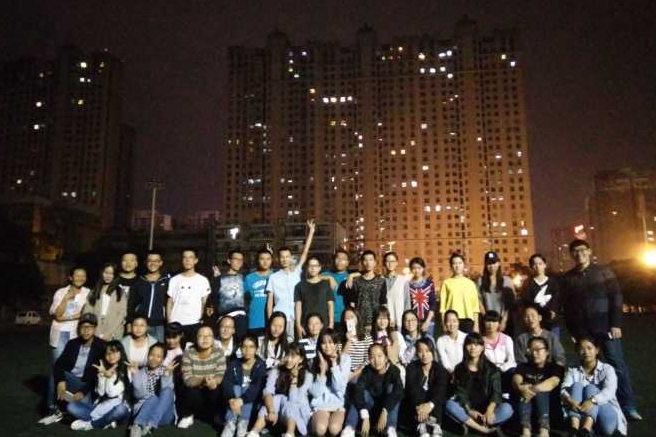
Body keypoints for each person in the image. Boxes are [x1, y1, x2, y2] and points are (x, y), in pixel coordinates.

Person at [562, 239, 641, 420]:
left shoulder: (604, 272)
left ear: (589, 251)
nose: (579, 254)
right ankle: (591, 405)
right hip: (584, 332)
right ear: (571, 255)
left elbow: (616, 297)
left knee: (617, 365)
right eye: (575, 251)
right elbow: (567, 307)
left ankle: (628, 406)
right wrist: (573, 332)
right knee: (587, 368)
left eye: (583, 250)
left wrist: (616, 323)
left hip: (605, 327)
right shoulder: (568, 278)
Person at [39, 313, 105, 425]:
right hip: (71, 380)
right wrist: (61, 381)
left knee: (79, 412)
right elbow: (58, 364)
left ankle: (82, 409)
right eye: (83, 327)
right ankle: (52, 411)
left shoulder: (101, 346)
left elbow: (96, 377)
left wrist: (82, 392)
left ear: (95, 329)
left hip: (87, 385)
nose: (86, 330)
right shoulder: (73, 343)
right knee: (54, 374)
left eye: (89, 327)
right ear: (79, 328)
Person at [45, 266, 91, 422]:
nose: (80, 278)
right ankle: (52, 407)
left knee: (75, 371)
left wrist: (68, 317)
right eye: (77, 275)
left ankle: (71, 404)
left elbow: (86, 314)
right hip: (61, 334)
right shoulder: (60, 292)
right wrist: (66, 299)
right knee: (58, 369)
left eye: (83, 275)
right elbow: (57, 315)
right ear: (70, 277)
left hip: (77, 334)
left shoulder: (88, 293)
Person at [445, 333, 513, 435]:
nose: (472, 347)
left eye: (476, 344)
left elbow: (497, 393)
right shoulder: (459, 369)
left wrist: (489, 410)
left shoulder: (492, 369)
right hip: (469, 410)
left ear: (482, 348)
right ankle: (484, 429)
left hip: (488, 410)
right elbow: (461, 394)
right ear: (465, 347)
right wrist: (469, 411)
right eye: (469, 344)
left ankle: (471, 424)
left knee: (507, 408)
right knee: (449, 405)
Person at [561, 336, 628, 436]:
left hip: (604, 415)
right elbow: (563, 389)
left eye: (589, 348)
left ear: (597, 350)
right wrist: (570, 400)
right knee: (576, 385)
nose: (586, 352)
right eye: (581, 349)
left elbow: (609, 391)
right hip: (580, 412)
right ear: (577, 351)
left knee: (591, 388)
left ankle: (586, 429)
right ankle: (575, 429)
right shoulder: (573, 369)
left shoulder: (607, 369)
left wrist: (592, 401)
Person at [246, 343, 313, 437]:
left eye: (293, 356)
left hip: (297, 417)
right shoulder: (276, 370)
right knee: (275, 399)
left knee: (288, 403)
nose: (289, 359)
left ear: (301, 359)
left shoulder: (307, 376)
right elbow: (267, 391)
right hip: (276, 413)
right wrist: (272, 411)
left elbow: (295, 400)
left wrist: (294, 379)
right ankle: (254, 432)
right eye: (287, 355)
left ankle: (290, 433)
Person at [341, 343, 404, 437]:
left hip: (386, 407)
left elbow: (399, 391)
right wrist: (365, 416)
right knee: (361, 393)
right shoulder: (367, 370)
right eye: (372, 357)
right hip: (370, 407)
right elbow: (358, 390)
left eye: (379, 356)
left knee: (393, 389)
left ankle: (390, 429)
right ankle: (349, 428)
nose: (376, 360)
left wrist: (385, 410)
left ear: (386, 358)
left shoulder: (394, 370)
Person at [67, 340, 131, 431]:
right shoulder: (103, 369)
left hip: (119, 409)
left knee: (121, 409)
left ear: (121, 352)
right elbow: (101, 393)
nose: (111, 356)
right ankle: (105, 422)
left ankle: (91, 424)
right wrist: (102, 376)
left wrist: (109, 377)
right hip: (100, 408)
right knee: (71, 406)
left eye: (115, 352)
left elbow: (112, 394)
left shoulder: (126, 369)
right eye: (108, 353)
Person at [512, 337, 564, 437]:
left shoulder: (555, 367)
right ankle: (526, 430)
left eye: (538, 349)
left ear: (547, 352)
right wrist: (521, 387)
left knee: (540, 390)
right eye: (531, 350)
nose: (534, 353)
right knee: (523, 388)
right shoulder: (523, 367)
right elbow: (516, 379)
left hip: (550, 410)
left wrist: (531, 389)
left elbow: (552, 382)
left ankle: (544, 430)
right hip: (528, 410)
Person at [177, 324, 227, 429]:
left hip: (212, 388)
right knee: (187, 389)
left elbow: (220, 374)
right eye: (201, 336)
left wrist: (214, 382)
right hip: (195, 390)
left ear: (213, 338)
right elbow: (187, 379)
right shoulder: (188, 353)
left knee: (220, 389)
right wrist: (202, 380)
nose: (205, 339)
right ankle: (188, 415)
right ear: (196, 338)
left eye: (208, 336)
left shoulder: (219, 352)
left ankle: (216, 415)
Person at [221, 334, 267, 437]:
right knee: (236, 388)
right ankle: (230, 423)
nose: (247, 350)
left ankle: (243, 423)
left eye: (251, 347)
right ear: (241, 348)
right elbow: (227, 383)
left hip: (251, 403)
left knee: (247, 387)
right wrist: (231, 399)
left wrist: (241, 400)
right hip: (234, 403)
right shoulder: (234, 364)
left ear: (256, 349)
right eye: (244, 347)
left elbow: (256, 387)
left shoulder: (260, 365)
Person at [129, 343, 179, 437]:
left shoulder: (166, 371)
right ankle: (138, 426)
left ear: (163, 360)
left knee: (167, 391)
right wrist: (136, 376)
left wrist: (166, 376)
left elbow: (168, 397)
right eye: (152, 355)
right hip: (144, 412)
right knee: (153, 398)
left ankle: (151, 424)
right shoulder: (140, 372)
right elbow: (138, 395)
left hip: (163, 415)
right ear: (147, 355)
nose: (154, 359)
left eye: (158, 357)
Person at [308, 328, 351, 437]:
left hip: (338, 403)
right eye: (323, 343)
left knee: (334, 429)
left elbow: (340, 388)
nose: (327, 346)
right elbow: (315, 393)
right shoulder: (313, 362)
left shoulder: (345, 359)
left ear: (336, 344)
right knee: (320, 429)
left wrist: (334, 365)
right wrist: (322, 371)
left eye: (331, 342)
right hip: (320, 405)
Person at [405, 338, 449, 437]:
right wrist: (420, 408)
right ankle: (423, 425)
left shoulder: (440, 369)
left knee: (436, 397)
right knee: (417, 394)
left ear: (433, 351)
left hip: (434, 405)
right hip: (417, 405)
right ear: (417, 353)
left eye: (428, 351)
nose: (424, 355)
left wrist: (429, 405)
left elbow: (441, 390)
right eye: (420, 351)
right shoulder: (412, 367)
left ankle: (435, 426)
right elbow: (411, 389)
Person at [167, 248, 211, 344]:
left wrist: (202, 319)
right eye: (185, 257)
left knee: (193, 350)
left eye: (190, 257)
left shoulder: (203, 280)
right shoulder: (174, 280)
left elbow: (204, 302)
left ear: (196, 260)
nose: (187, 260)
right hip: (176, 323)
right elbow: (170, 302)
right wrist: (169, 321)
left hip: (195, 323)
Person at [128, 250, 170, 341]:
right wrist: (129, 322)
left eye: (156, 261)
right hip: (140, 324)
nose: (153, 263)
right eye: (150, 260)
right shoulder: (139, 280)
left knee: (158, 348)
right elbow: (131, 303)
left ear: (161, 263)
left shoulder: (167, 281)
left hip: (159, 324)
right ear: (146, 262)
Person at [208, 250, 248, 342]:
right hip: (224, 317)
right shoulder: (220, 278)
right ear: (229, 261)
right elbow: (213, 298)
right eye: (236, 259)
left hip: (241, 318)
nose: (239, 262)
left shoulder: (244, 278)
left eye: (241, 260)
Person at [345, 250, 387, 332]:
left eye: (371, 260)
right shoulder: (356, 281)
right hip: (360, 321)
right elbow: (352, 303)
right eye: (365, 260)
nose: (368, 263)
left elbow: (383, 302)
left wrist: (384, 320)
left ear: (375, 262)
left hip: (376, 321)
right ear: (362, 262)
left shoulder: (381, 281)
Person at [83, 263, 126, 341]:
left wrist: (109, 333)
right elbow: (87, 311)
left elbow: (122, 314)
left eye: (111, 273)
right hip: (96, 329)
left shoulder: (120, 292)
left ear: (115, 275)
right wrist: (92, 330)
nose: (108, 276)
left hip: (114, 331)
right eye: (106, 273)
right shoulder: (94, 291)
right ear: (102, 273)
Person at [295, 256, 336, 338]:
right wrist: (298, 325)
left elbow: (330, 305)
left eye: (315, 266)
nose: (313, 268)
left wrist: (331, 324)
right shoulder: (300, 285)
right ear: (307, 268)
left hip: (323, 324)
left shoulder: (326, 284)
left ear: (320, 268)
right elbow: (298, 306)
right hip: (306, 325)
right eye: (310, 266)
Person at [439, 253, 480, 333]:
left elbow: (475, 307)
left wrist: (476, 325)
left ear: (464, 265)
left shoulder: (470, 283)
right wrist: (444, 324)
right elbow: (442, 307)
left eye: (460, 263)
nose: (457, 266)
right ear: (451, 266)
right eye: (454, 263)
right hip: (451, 321)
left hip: (467, 321)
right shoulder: (446, 283)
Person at [478, 251, 516, 333]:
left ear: (499, 263)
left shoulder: (507, 281)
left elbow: (511, 304)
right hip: (488, 321)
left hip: (504, 320)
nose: (492, 266)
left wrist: (504, 321)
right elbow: (479, 301)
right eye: (489, 263)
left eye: (494, 263)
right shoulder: (480, 281)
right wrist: (487, 319)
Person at [524, 253, 561, 335]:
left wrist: (553, 311)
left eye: (540, 263)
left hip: (552, 324)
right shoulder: (528, 284)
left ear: (545, 265)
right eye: (534, 264)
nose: (537, 266)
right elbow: (527, 303)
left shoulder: (553, 282)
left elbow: (557, 300)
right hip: (535, 325)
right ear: (531, 267)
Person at [482, 311, 516, 390]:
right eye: (488, 321)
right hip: (488, 372)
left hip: (504, 370)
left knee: (512, 371)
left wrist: (500, 368)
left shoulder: (507, 339)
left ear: (499, 323)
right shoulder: (480, 341)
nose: (491, 324)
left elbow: (511, 360)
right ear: (483, 323)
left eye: (494, 321)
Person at [244, 248, 275, 337]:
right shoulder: (249, 278)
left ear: (271, 260)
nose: (265, 262)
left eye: (268, 259)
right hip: (254, 321)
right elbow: (243, 299)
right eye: (262, 259)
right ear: (257, 260)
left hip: (273, 322)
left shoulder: (275, 276)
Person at [404, 257, 437, 337]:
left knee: (428, 342)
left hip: (428, 322)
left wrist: (427, 321)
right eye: (414, 268)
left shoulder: (429, 284)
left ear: (423, 268)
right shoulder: (408, 285)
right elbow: (407, 305)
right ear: (411, 269)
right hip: (413, 323)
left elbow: (433, 303)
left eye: (419, 268)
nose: (417, 270)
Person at [321, 249, 352, 330]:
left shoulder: (350, 277)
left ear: (348, 262)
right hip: (327, 318)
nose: (340, 261)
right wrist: (329, 277)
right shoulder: (326, 274)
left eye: (343, 259)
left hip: (345, 318)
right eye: (338, 258)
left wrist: (352, 276)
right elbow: (313, 278)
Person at [339, 307, 373, 381]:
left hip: (361, 372)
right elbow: (341, 359)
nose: (349, 320)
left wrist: (355, 373)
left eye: (352, 317)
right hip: (344, 372)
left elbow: (369, 358)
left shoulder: (367, 337)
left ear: (357, 319)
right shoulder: (340, 339)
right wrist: (348, 341)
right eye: (347, 318)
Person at [381, 251, 408, 330]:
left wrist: (406, 319)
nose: (390, 264)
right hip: (385, 321)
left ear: (396, 263)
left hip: (400, 320)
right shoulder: (380, 280)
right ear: (384, 263)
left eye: (392, 261)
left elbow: (407, 302)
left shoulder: (403, 280)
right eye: (387, 261)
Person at [435, 310, 466, 374]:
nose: (452, 324)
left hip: (465, 373)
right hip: (448, 374)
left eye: (454, 321)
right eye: (448, 321)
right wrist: (452, 374)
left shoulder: (466, 337)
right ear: (445, 323)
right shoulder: (441, 340)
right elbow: (444, 361)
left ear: (458, 322)